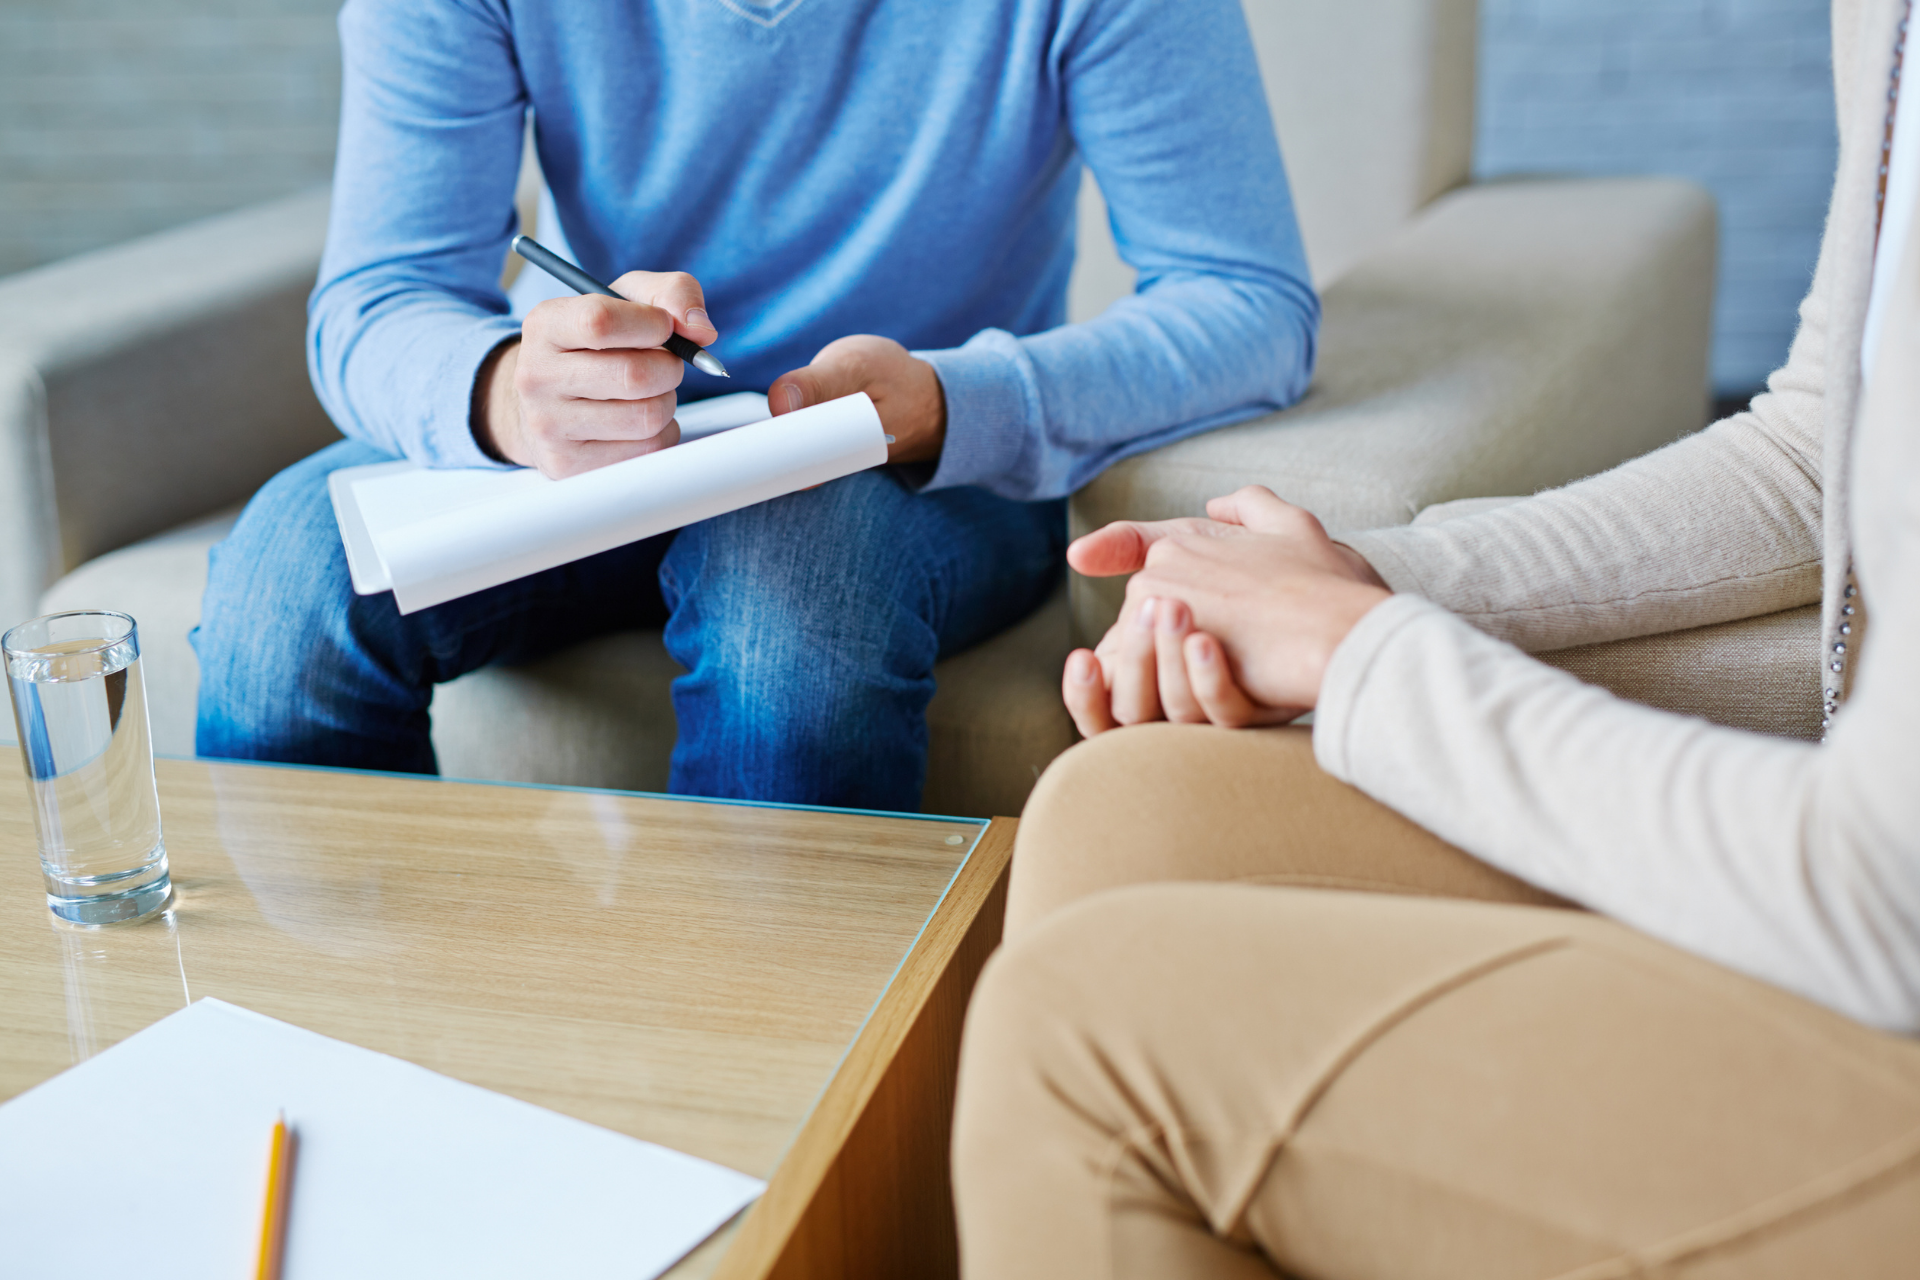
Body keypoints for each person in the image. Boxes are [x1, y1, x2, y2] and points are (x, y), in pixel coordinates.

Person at [952, 0, 1920, 1273]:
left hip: (1874, 924)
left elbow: (1880, 901)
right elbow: (1817, 445)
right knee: (1118, 807)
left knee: (1077, 1037)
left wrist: (1366, 657)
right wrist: (1359, 582)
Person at [190, 0, 1318, 811]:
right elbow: (379, 300)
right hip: (582, 459)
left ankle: (774, 1110)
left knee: (795, 596)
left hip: (920, 462)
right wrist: (505, 394)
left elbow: (1248, 298)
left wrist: (943, 399)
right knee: (289, 582)